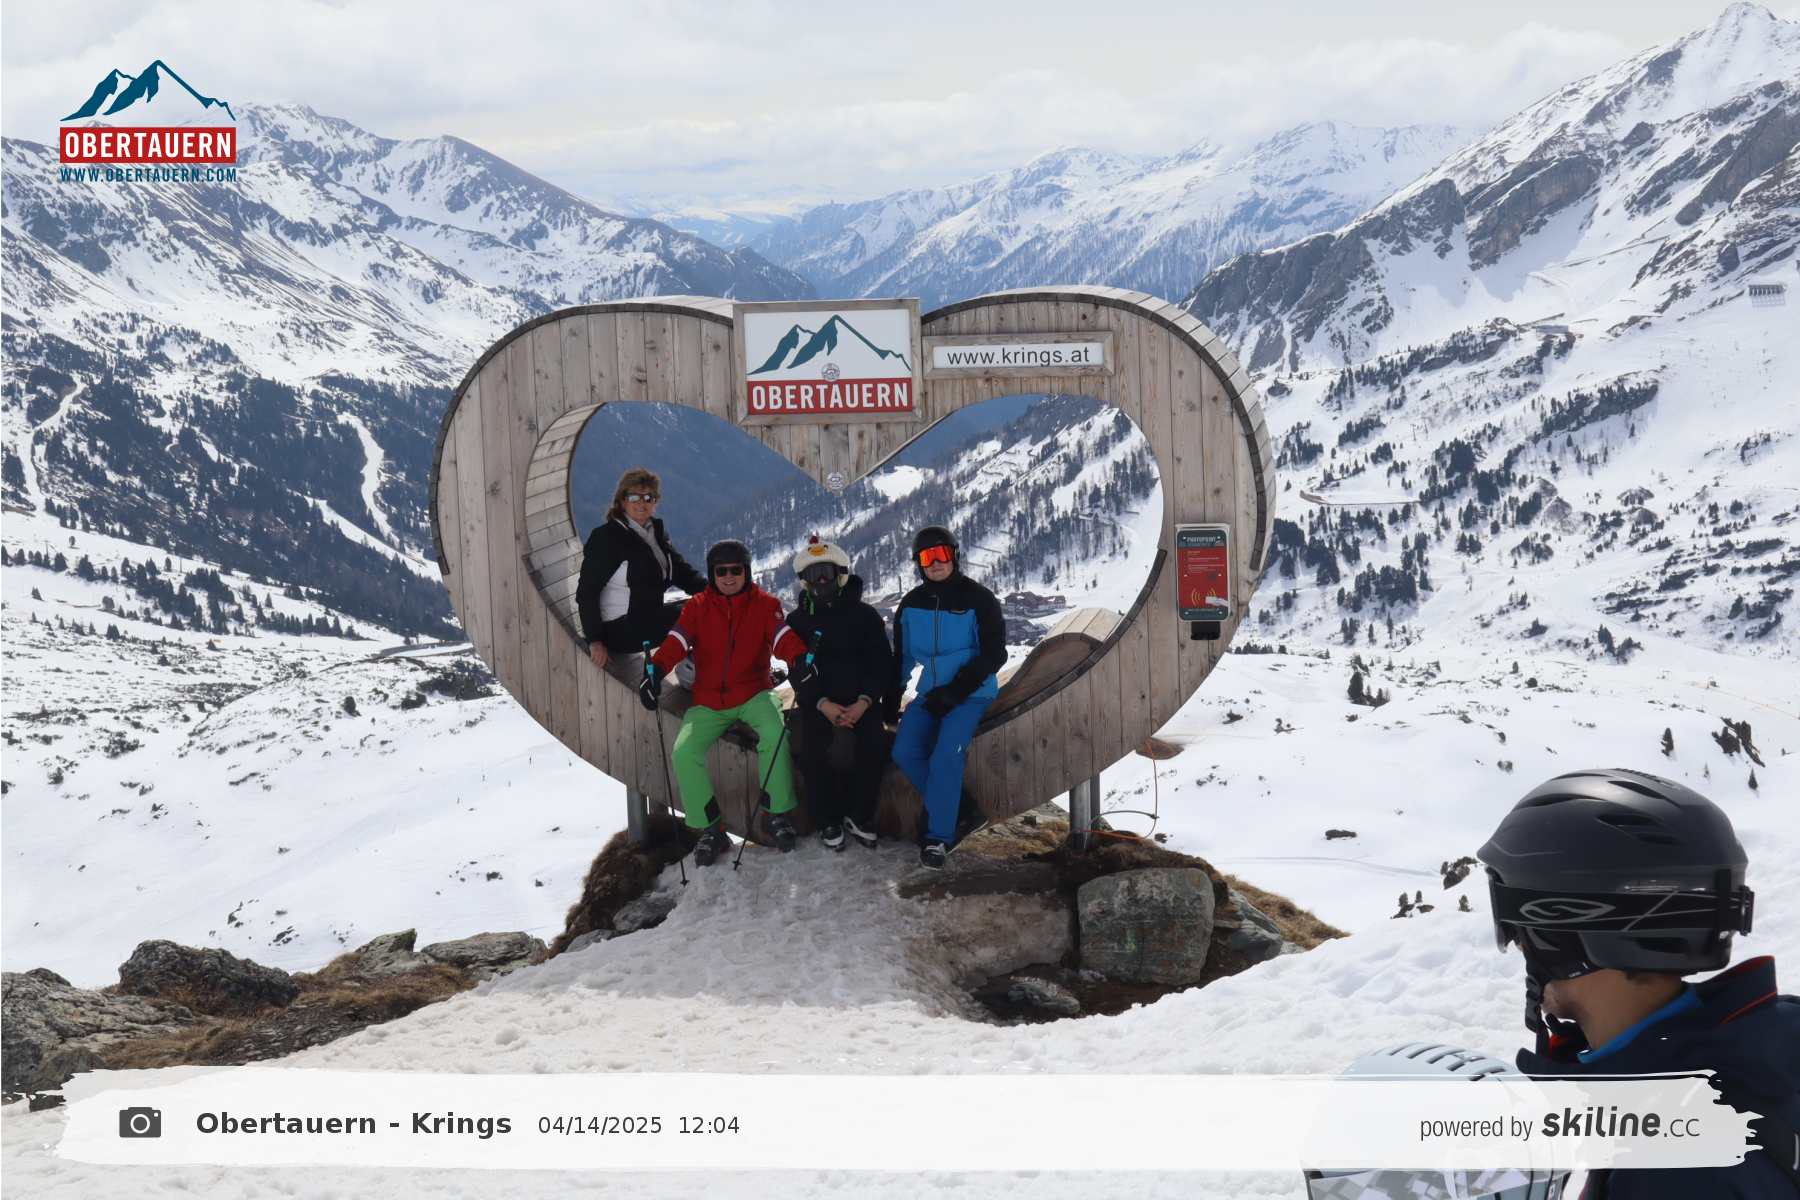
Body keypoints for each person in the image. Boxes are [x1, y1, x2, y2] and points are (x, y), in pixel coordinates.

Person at [1477, 768, 1797, 1199]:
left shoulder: (1671, 1161)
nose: (1517, 945)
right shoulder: (1768, 1044)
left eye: (1516, 924)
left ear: (1561, 931)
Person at [643, 539, 810, 867]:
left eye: (736, 570)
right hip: (708, 699)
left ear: (746, 572)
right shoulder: (697, 607)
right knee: (684, 752)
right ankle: (711, 829)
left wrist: (800, 658)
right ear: (712, 574)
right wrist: (656, 670)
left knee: (775, 736)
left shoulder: (766, 604)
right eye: (722, 571)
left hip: (754, 692)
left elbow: (782, 636)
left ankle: (774, 815)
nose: (729, 576)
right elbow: (677, 640)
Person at [884, 525, 1006, 871]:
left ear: (954, 556)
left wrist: (958, 690)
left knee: (945, 756)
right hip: (931, 692)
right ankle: (963, 809)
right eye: (926, 557)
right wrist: (892, 696)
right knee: (904, 751)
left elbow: (995, 652)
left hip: (972, 692)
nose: (935, 562)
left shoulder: (978, 599)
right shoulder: (911, 605)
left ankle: (938, 838)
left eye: (941, 554)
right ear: (918, 564)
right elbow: (904, 656)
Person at [783, 536, 893, 851]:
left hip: (861, 700)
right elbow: (796, 670)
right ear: (804, 581)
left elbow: (880, 661)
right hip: (819, 702)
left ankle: (858, 813)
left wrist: (865, 701)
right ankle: (827, 819)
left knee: (875, 745)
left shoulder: (865, 615)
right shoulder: (798, 620)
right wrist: (821, 703)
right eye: (813, 574)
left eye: (827, 572)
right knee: (812, 752)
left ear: (841, 575)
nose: (821, 580)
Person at [575, 467, 705, 673]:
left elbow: (681, 572)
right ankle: (706, 670)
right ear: (622, 500)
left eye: (648, 497)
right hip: (619, 629)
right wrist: (594, 639)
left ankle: (712, 666)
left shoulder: (655, 533)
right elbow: (588, 590)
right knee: (702, 612)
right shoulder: (607, 539)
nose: (641, 503)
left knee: (710, 604)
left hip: (647, 617)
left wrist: (717, 592)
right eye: (634, 497)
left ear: (655, 502)